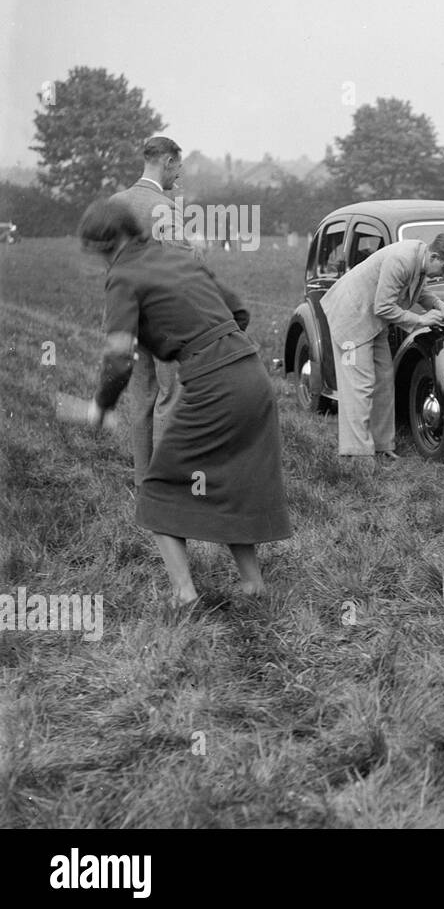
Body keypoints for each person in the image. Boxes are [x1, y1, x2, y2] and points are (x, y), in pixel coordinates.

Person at [79, 197, 291, 605]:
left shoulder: (123, 275)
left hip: (215, 386)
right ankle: (252, 585)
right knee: (233, 480)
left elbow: (119, 356)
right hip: (251, 373)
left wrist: (102, 405)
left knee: (158, 488)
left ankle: (184, 595)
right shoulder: (175, 255)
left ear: (105, 243)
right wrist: (204, 345)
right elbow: (239, 311)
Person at [320, 234, 444, 463]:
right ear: (434, 255)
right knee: (360, 385)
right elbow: (383, 307)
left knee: (384, 381)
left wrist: (437, 304)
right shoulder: (402, 260)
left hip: (373, 321)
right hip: (351, 316)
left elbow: (418, 290)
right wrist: (421, 320)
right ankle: (356, 453)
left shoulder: (421, 259)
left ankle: (381, 446)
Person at [109, 136, 189, 486]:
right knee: (170, 397)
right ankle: (166, 486)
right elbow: (182, 262)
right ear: (168, 162)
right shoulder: (164, 207)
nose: (178, 177)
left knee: (141, 399)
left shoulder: (115, 203)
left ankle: (144, 484)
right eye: (178, 168)